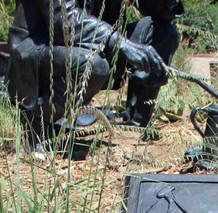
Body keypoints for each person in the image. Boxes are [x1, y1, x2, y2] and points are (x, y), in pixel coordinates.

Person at [7, 0, 182, 145]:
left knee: (165, 32)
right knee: (94, 64)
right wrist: (121, 43)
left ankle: (136, 123)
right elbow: (65, 21)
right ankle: (35, 125)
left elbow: (157, 12)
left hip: (97, 47)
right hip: (40, 50)